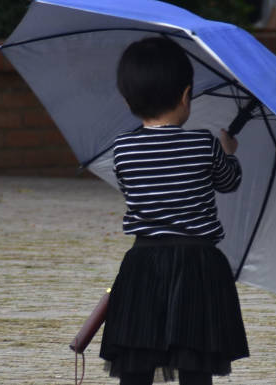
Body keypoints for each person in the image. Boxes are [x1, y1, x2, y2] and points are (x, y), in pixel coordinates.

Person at [98, 37, 249, 385]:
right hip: (198, 264)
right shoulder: (203, 144)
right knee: (195, 357)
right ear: (185, 96)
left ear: (127, 100)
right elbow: (229, 181)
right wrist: (229, 152)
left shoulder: (123, 149)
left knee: (137, 354)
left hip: (144, 263)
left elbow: (136, 189)